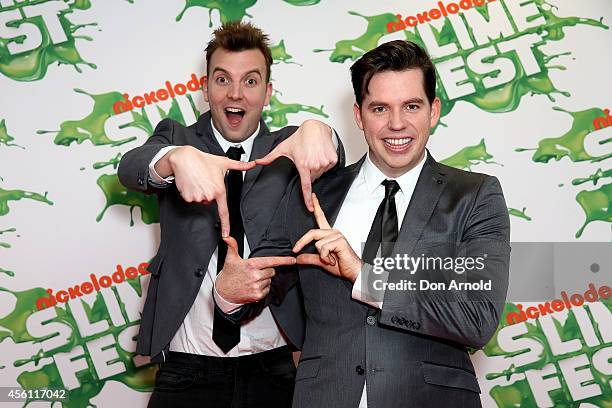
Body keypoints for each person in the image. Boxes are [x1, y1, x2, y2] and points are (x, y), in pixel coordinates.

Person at [215, 40, 510, 407]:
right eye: (380, 108)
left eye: (412, 106)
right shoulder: (312, 193)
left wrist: (362, 276)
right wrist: (226, 292)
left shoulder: (474, 196)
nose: (397, 123)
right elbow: (258, 286)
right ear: (359, 115)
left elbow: (476, 317)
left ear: (433, 111)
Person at [118, 21, 343, 408]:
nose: (235, 93)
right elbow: (132, 167)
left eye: (251, 81)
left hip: (272, 369)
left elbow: (331, 158)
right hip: (186, 370)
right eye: (222, 80)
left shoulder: (287, 148)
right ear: (206, 88)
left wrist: (321, 130)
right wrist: (175, 159)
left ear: (268, 91)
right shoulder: (177, 137)